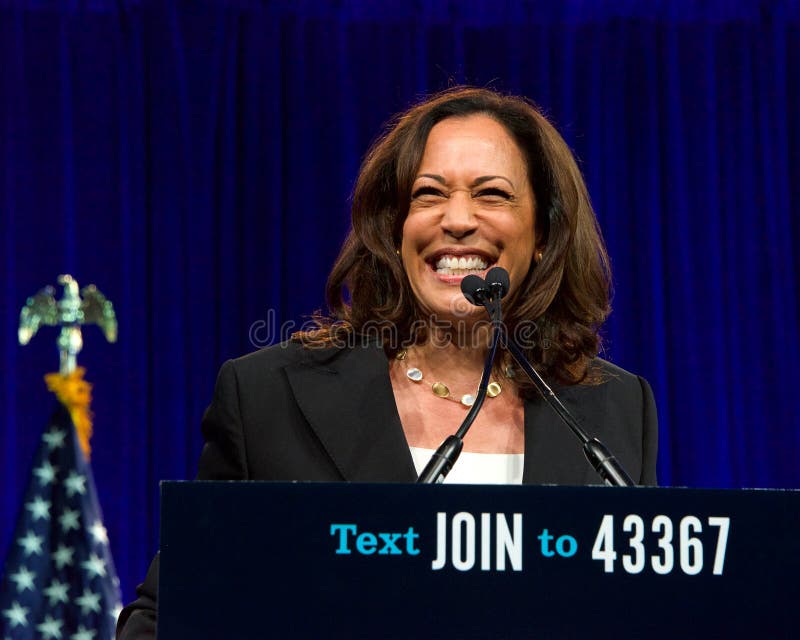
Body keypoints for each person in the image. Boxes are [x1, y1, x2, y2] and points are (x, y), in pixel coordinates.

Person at [116, 86, 657, 638]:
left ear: (542, 233)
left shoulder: (611, 409)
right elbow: (164, 619)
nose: (458, 219)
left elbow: (647, 610)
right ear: (394, 228)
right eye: (428, 194)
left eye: (492, 194)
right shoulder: (267, 398)